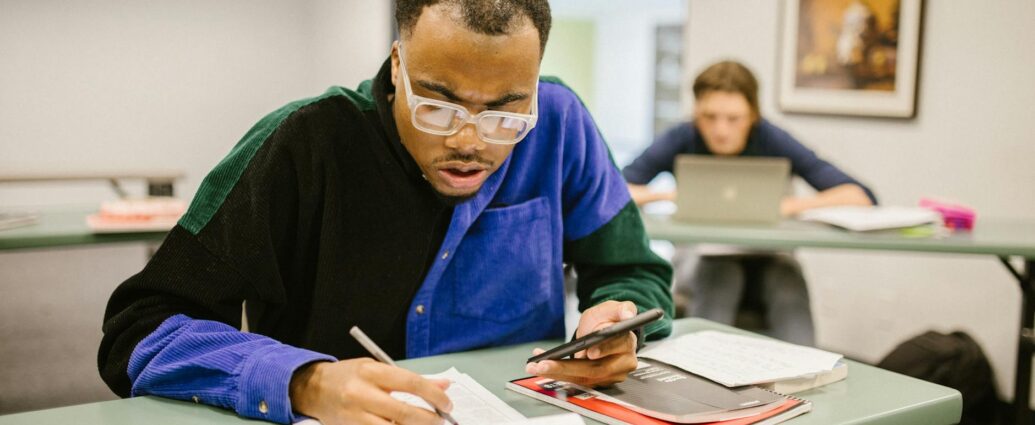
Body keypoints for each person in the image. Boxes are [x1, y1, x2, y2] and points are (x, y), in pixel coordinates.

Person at [97, 1, 674, 424]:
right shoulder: (303, 144)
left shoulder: (562, 123)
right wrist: (303, 381)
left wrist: (615, 319)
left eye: (506, 113)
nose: (470, 142)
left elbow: (636, 273)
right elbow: (141, 329)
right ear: (397, 65)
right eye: (439, 105)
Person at [623, 60, 875, 346]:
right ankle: (701, 374)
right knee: (720, 274)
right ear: (696, 112)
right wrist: (671, 196)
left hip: (769, 258)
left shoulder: (771, 138)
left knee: (788, 281)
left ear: (753, 115)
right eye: (709, 116)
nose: (720, 130)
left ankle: (805, 379)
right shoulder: (682, 137)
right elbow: (614, 190)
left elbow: (860, 197)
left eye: (733, 119)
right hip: (704, 260)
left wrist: (784, 206)